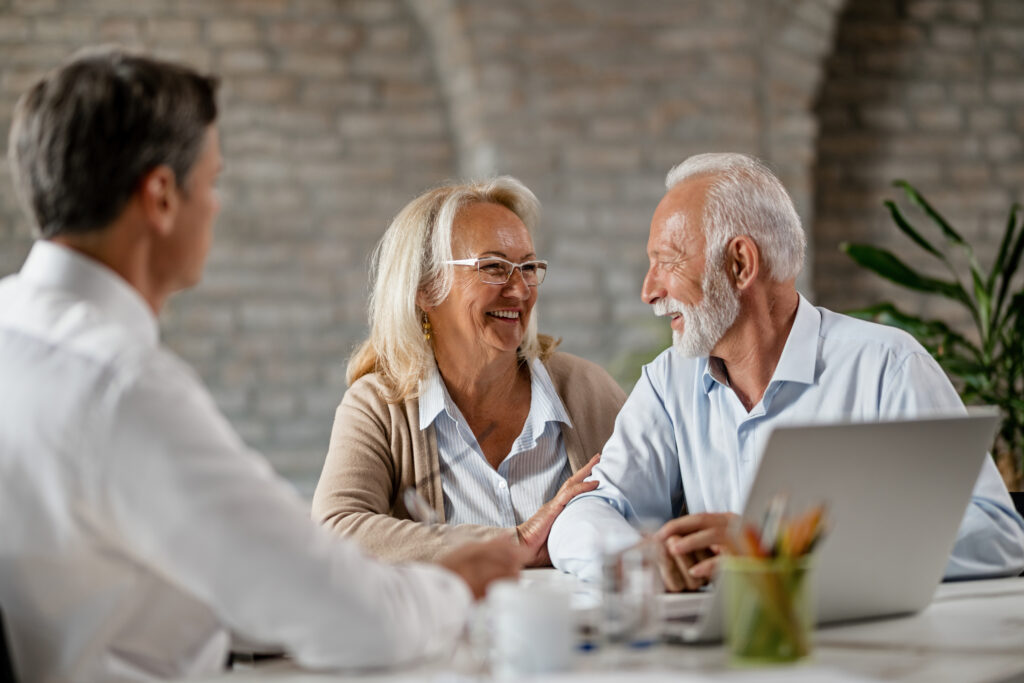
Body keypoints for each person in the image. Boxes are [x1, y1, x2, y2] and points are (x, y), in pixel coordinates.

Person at [0, 47, 522, 683]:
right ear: (161, 196)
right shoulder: (123, 388)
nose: (217, 206)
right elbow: (353, 623)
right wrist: (453, 585)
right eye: (213, 182)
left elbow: (240, 571)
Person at [547, 152, 1024, 589]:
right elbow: (586, 513)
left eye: (666, 263)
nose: (649, 290)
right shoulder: (668, 382)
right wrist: (636, 556)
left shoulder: (889, 368)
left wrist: (782, 548)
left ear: (740, 264)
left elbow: (997, 532)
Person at [311, 178, 626, 565]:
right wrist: (513, 542)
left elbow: (660, 512)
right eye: (494, 267)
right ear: (426, 287)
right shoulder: (379, 407)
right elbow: (336, 527)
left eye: (527, 267)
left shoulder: (587, 390)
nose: (520, 289)